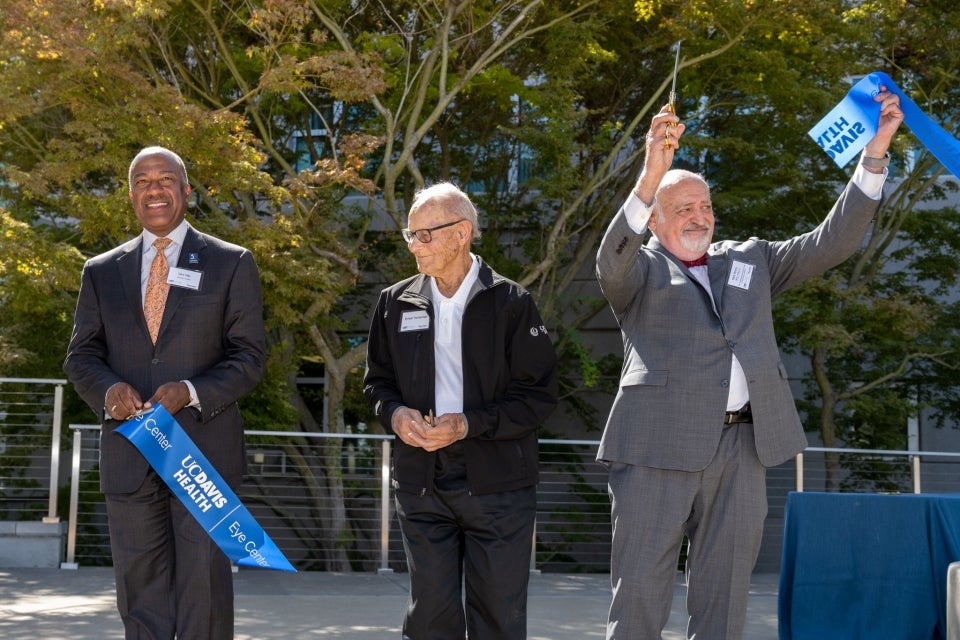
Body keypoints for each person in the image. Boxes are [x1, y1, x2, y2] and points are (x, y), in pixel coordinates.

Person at [596, 89, 904, 639]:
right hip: (653, 452)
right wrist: (649, 175)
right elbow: (610, 258)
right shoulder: (637, 271)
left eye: (706, 205)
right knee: (639, 596)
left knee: (725, 602)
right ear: (655, 219)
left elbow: (832, 242)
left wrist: (875, 152)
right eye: (684, 208)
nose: (700, 216)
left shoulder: (751, 258)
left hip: (744, 451)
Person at [64, 146, 267, 639]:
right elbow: (80, 356)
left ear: (186, 191)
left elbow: (250, 358)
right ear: (131, 195)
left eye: (165, 179)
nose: (154, 189)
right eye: (142, 181)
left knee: (205, 595)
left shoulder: (231, 263)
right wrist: (108, 390)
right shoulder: (101, 271)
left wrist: (190, 391)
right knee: (139, 596)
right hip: (130, 451)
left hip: (203, 456)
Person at [363, 182, 559, 639]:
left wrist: (468, 424)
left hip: (498, 482)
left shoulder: (512, 303)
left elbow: (537, 398)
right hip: (422, 481)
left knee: (498, 617)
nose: (415, 245)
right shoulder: (394, 303)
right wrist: (395, 416)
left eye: (425, 234)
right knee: (430, 617)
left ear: (461, 233)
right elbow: (377, 384)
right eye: (410, 235)